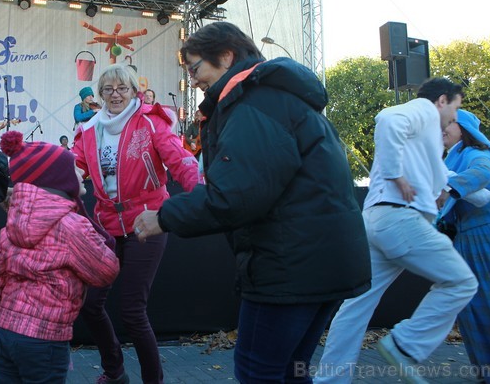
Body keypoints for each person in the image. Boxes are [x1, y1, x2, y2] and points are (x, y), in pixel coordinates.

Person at [133, 22, 371, 383]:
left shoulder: (254, 103)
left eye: (196, 68)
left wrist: (165, 216)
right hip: (321, 260)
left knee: (258, 371)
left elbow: (235, 195)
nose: (193, 80)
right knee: (291, 370)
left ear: (226, 57)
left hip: (290, 265)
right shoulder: (280, 99)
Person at [315, 77, 478, 384]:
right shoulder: (425, 111)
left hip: (378, 221)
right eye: (456, 108)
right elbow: (388, 119)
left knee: (355, 307)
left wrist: (447, 189)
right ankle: (405, 345)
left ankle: (329, 380)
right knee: (462, 282)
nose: (455, 118)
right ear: (442, 100)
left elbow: (446, 178)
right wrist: (395, 174)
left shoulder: (426, 139)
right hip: (401, 221)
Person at [73, 64, 200, 384]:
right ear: (99, 95)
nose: (115, 95)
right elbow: (74, 164)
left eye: (122, 88)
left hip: (147, 223)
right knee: (89, 305)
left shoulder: (150, 122)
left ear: (134, 91)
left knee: (132, 311)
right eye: (108, 90)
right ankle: (115, 371)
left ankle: (152, 380)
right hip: (105, 227)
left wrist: (199, 192)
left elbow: (179, 159)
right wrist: (64, 178)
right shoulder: (89, 129)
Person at [0, 131, 120, 383]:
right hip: (45, 339)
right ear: (59, 179)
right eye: (75, 170)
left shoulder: (14, 221)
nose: (81, 175)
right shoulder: (71, 226)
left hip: (5, 332)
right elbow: (106, 271)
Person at [440, 109, 490, 383]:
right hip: (470, 242)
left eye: (448, 123)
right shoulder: (453, 157)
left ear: (465, 129)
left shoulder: (477, 154)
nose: (442, 129)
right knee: (477, 310)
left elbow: (482, 173)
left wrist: (448, 185)